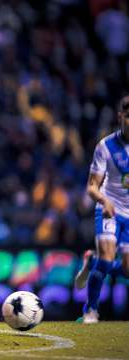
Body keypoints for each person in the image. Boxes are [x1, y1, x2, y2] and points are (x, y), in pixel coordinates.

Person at [75, 95, 129, 324]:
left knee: (127, 272)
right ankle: (91, 310)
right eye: (128, 117)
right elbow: (91, 187)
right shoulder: (106, 146)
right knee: (107, 260)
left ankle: (90, 263)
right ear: (120, 117)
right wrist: (105, 201)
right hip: (109, 208)